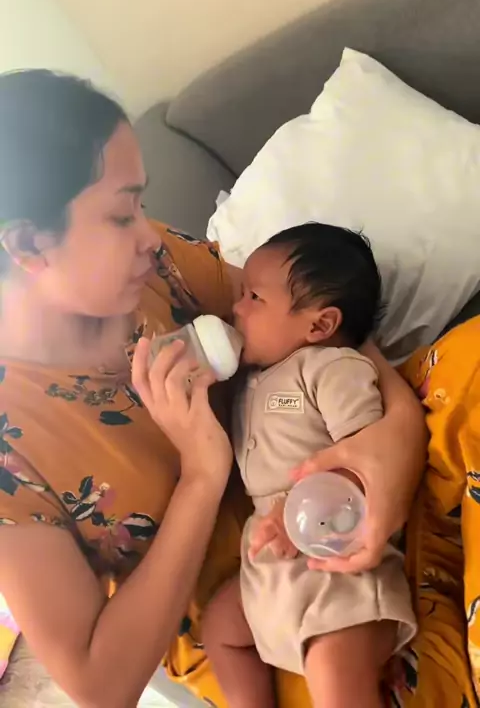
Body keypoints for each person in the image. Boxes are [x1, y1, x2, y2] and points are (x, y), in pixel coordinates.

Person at [0, 69, 427, 708]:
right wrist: (203, 472)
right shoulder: (12, 448)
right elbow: (100, 685)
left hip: (332, 518)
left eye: (141, 204)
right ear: (29, 244)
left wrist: (396, 437)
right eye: (121, 214)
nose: (150, 234)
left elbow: (313, 327)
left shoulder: (156, 269)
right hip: (238, 614)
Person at [202, 223, 417, 708]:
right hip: (268, 572)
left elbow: (365, 460)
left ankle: (364, 654)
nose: (237, 308)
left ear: (319, 326)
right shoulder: (250, 381)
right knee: (220, 628)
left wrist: (300, 511)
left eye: (254, 297)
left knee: (333, 672)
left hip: (335, 571)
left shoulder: (332, 369)